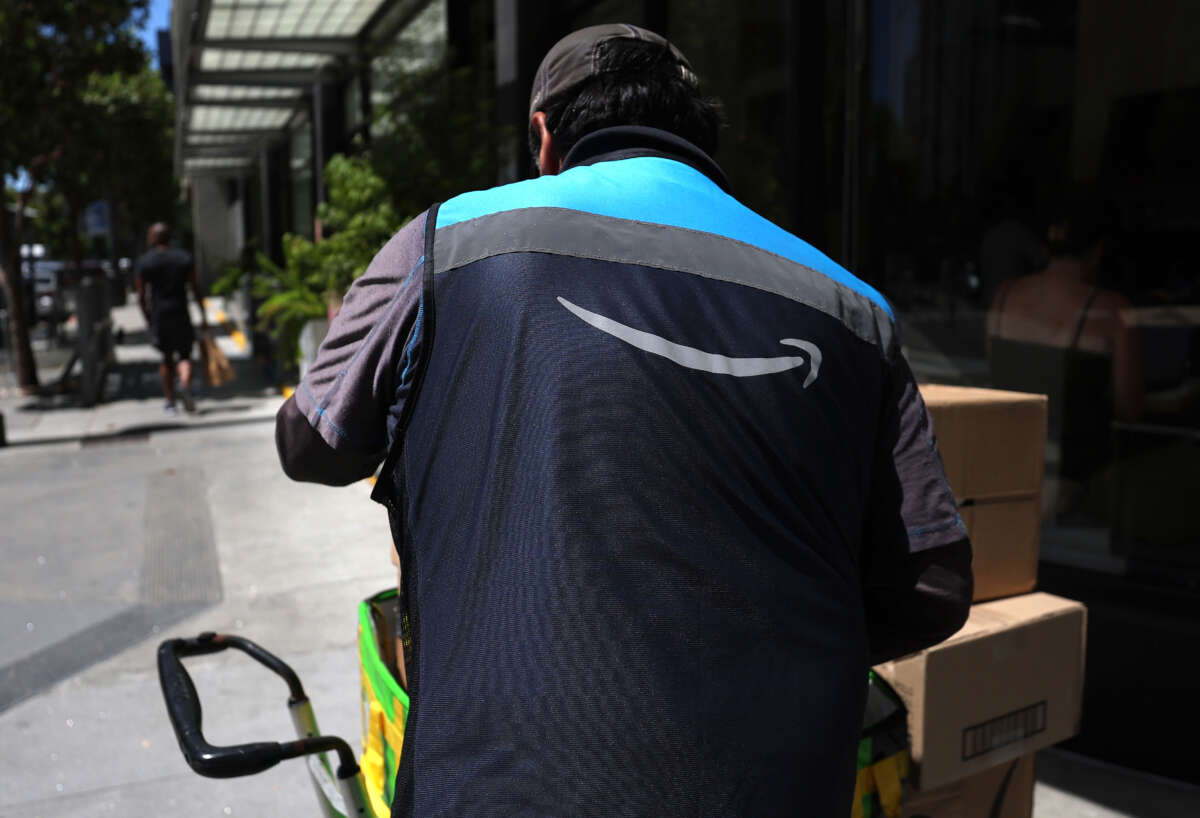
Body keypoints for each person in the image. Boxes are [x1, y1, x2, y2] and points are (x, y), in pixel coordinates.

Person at [276, 24, 971, 817]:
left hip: (499, 788)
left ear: (544, 135)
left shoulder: (449, 242)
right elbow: (934, 586)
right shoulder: (852, 308)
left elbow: (312, 443)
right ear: (701, 135)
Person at [987, 199, 1143, 516]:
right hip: (1077, 481)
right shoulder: (1113, 310)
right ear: (1099, 250)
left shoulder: (1004, 296)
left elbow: (998, 379)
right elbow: (1129, 409)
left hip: (1004, 469)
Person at [135, 223, 206, 415]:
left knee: (166, 359)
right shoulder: (183, 258)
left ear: (153, 238)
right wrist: (203, 312)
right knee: (184, 355)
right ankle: (184, 384)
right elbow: (195, 286)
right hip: (180, 312)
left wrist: (148, 318)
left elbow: (141, 295)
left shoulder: (145, 262)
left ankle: (170, 402)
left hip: (160, 315)